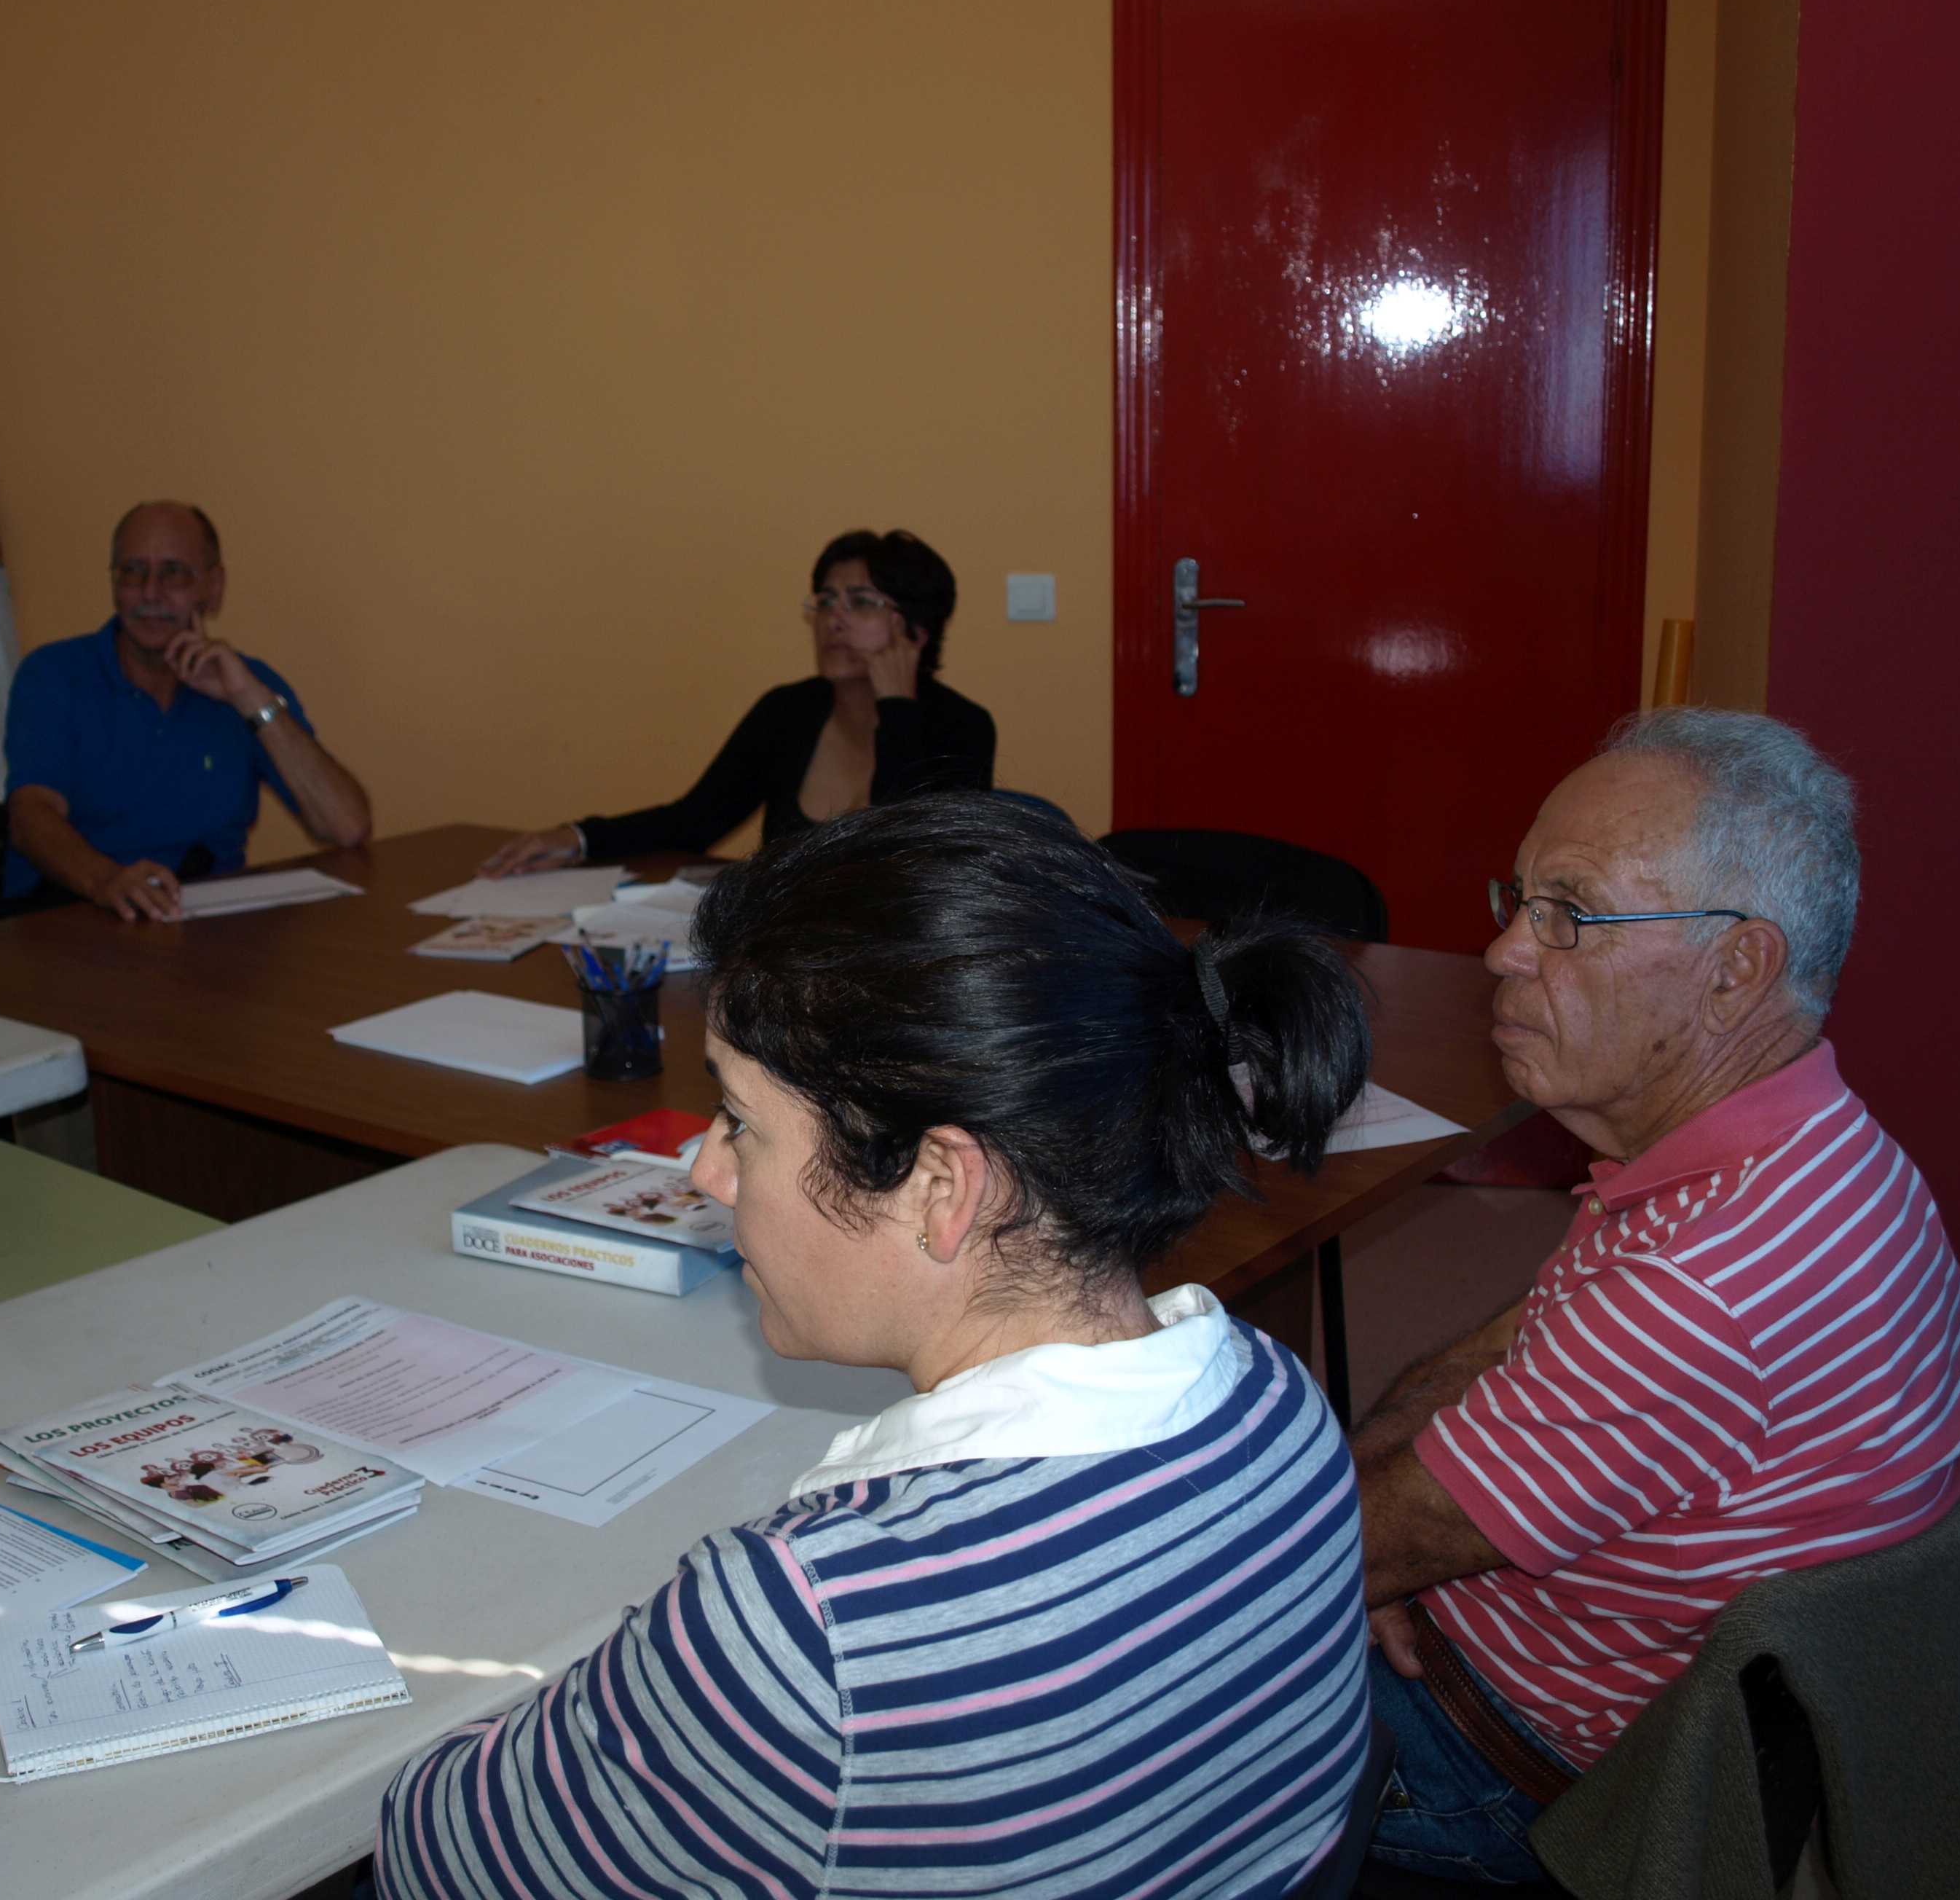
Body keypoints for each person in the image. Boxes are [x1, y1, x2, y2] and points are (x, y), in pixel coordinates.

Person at [382, 795, 1378, 1899]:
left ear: (941, 1186)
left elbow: (436, 1857)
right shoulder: (1282, 1407)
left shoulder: (812, 1629)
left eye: (742, 1121)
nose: (706, 1172)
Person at [1351, 708, 1960, 1884]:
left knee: (1114, 1699)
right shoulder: (1815, 1147)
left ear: (1735, 971)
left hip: (1501, 1773)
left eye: (1570, 914)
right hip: (1565, 1665)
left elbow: (1343, 1550)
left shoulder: (1701, 1286)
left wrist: (1369, 1565)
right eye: (1519, 898)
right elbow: (1518, 1347)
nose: (1503, 951)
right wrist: (1387, 1554)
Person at [477, 529, 995, 874]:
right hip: (778, 959)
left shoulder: (963, 727)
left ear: (917, 630)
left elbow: (910, 863)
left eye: (861, 602)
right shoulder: (788, 711)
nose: (833, 619)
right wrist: (576, 838)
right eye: (824, 601)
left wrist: (899, 709)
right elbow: (694, 821)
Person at [1, 500, 373, 919]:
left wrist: (248, 698)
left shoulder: (245, 681)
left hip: (208, 924)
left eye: (173, 573)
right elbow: (30, 816)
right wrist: (107, 881)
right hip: (77, 916)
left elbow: (347, 826)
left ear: (213, 588)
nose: (150, 592)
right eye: (133, 571)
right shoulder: (54, 674)